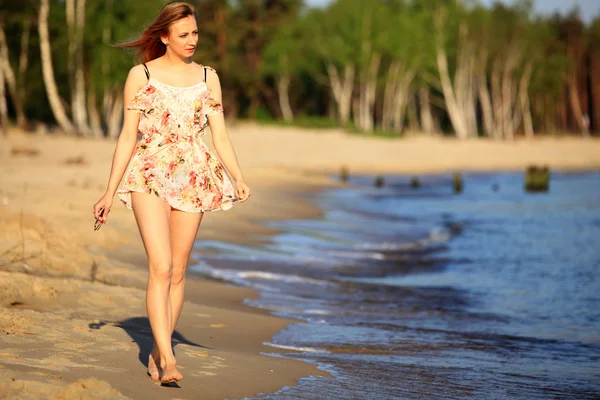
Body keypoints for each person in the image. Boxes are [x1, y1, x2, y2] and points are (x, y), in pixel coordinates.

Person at [92, 2, 251, 385]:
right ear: (164, 36)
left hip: (194, 173)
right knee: (160, 267)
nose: (192, 40)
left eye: (195, 33)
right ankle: (167, 357)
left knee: (178, 272)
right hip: (149, 171)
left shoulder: (208, 77)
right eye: (184, 34)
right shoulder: (141, 74)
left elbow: (220, 135)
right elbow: (128, 135)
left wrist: (238, 176)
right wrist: (108, 193)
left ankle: (156, 352)